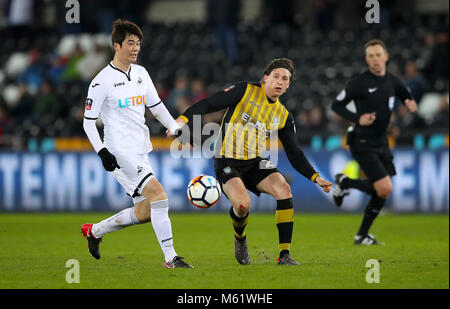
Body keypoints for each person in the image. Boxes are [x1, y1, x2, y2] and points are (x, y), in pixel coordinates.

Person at [169, 58, 332, 265]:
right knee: (243, 205)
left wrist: (315, 177)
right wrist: (182, 120)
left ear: (289, 84)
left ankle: (284, 255)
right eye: (276, 76)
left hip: (255, 162)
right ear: (265, 78)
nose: (279, 81)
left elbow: (295, 154)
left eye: (285, 78)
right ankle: (240, 237)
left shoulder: (283, 116)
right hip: (227, 160)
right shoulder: (245, 91)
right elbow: (210, 103)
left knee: (284, 189)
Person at [81, 19, 192, 268]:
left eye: (138, 43)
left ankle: (95, 231)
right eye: (130, 43)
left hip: (141, 148)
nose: (136, 48)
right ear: (116, 45)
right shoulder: (101, 81)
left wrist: (174, 127)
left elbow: (156, 107)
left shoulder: (141, 73)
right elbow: (88, 122)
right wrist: (102, 152)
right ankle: (171, 258)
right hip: (118, 150)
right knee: (159, 194)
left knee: (145, 212)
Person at [331, 39, 418, 245]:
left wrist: (411, 104)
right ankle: (347, 189)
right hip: (361, 141)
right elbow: (336, 105)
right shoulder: (359, 82)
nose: (375, 59)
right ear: (366, 59)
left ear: (386, 56)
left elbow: (407, 97)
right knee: (385, 188)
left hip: (382, 142)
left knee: (383, 190)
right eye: (371, 55)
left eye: (378, 55)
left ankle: (360, 231)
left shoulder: (392, 81)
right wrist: (357, 118)